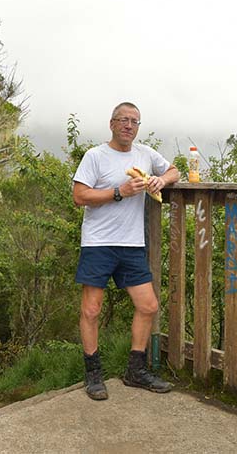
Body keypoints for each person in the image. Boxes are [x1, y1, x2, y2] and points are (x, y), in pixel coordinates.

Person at [71, 102, 180, 400]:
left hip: (131, 244)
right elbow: (79, 196)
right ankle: (93, 374)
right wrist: (119, 192)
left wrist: (161, 179)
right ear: (112, 124)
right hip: (98, 243)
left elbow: (175, 170)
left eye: (134, 121)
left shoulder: (145, 154)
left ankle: (136, 371)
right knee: (91, 310)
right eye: (123, 120)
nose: (129, 126)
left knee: (148, 306)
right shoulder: (95, 156)